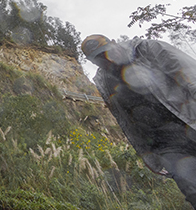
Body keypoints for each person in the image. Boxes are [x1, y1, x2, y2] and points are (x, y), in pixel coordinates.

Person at [82, 34, 196, 208]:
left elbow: (189, 74)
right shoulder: (104, 81)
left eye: (106, 53)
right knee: (192, 191)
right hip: (167, 146)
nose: (105, 60)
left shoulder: (146, 49)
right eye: (98, 59)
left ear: (113, 43)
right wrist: (145, 152)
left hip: (190, 122)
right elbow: (125, 120)